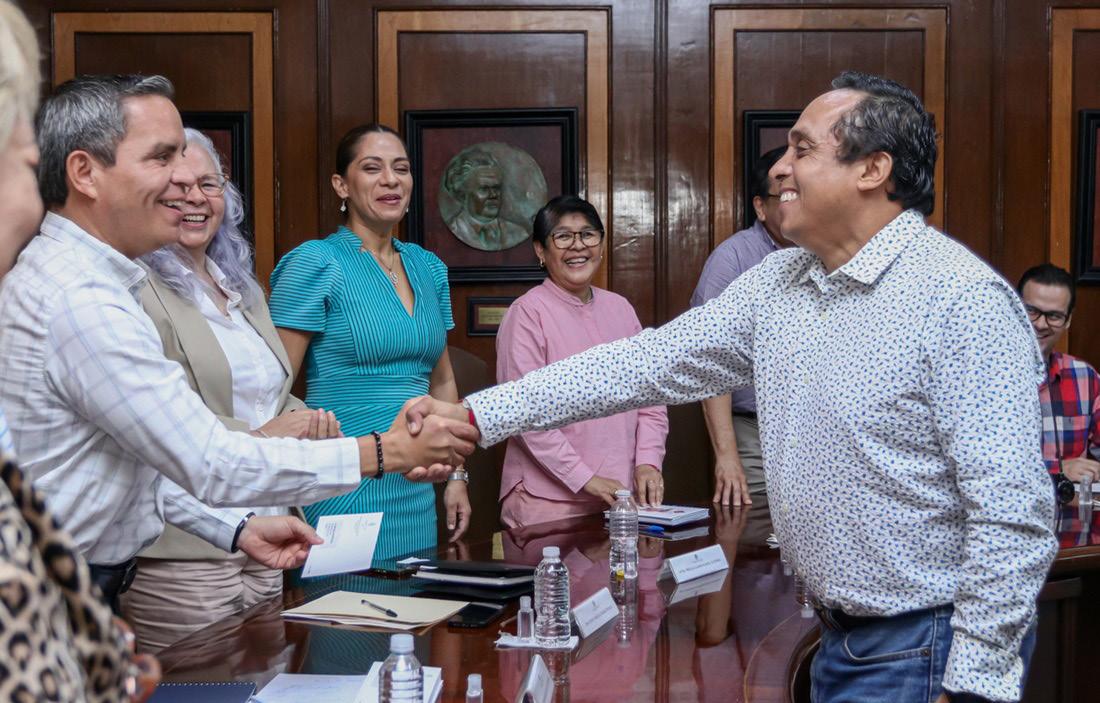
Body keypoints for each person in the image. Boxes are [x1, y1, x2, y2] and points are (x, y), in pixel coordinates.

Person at [410, 71, 1057, 703]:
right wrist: (475, 415)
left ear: (872, 169)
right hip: (837, 635)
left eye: (803, 149)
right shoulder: (780, 281)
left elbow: (1013, 516)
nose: (782, 170)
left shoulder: (961, 300)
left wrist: (971, 686)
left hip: (923, 644)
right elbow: (643, 364)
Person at [0, 74, 475, 610]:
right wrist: (386, 451)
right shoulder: (79, 298)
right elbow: (207, 459)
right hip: (52, 594)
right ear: (85, 173)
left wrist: (235, 528)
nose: (183, 183)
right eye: (161, 158)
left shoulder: (98, 282)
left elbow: (140, 464)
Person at [120, 129, 338, 652]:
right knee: (200, 684)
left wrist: (308, 422)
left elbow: (270, 391)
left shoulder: (241, 287)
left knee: (266, 681)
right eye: (178, 186)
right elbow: (147, 422)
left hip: (270, 527)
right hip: (185, 548)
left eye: (208, 184)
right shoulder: (132, 289)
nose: (195, 198)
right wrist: (264, 435)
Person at [0, 3, 157, 699]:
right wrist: (378, 452)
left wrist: (88, 642)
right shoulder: (71, 292)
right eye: (20, 160)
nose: (30, 194)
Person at [269, 124, 471, 560]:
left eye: (401, 168)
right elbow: (270, 389)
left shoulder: (429, 267)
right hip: (343, 477)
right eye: (372, 168)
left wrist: (456, 474)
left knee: (414, 600)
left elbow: (441, 382)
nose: (390, 180)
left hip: (416, 486)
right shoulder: (314, 262)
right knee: (345, 600)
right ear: (341, 185)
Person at [495, 195, 667, 528]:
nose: (578, 246)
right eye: (563, 237)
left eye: (588, 235)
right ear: (541, 251)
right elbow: (524, 416)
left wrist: (648, 461)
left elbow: (652, 396)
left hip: (621, 498)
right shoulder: (526, 314)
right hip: (547, 503)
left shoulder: (621, 309)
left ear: (601, 245)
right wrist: (585, 477)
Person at [691, 145, 790, 506]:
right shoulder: (733, 259)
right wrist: (727, 455)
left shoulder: (829, 253)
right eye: (786, 195)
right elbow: (710, 359)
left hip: (820, 431)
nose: (798, 202)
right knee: (758, 525)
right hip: (753, 429)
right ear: (760, 207)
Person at [1017, 264, 1100, 484]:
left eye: (1053, 316)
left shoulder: (1085, 378)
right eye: (1031, 311)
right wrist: (1057, 469)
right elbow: (977, 464)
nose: (1040, 324)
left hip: (1072, 508)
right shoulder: (984, 376)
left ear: (1068, 320)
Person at [442, 148, 529, 251]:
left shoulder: (518, 233)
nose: (493, 195)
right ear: (462, 195)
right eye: (484, 189)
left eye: (496, 188)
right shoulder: (451, 233)